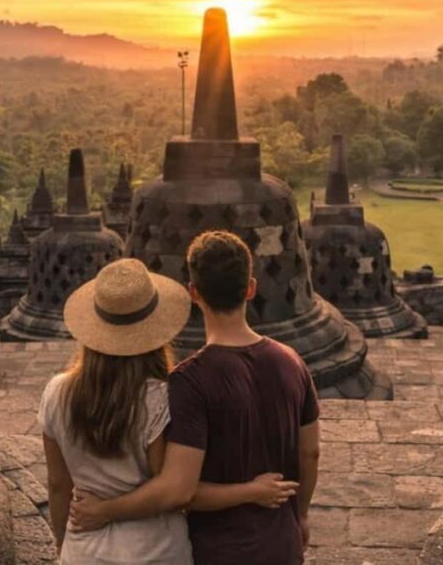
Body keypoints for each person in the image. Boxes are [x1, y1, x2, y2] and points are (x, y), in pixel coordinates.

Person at [70, 232, 321, 565]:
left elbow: (180, 490)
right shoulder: (292, 362)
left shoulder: (190, 381)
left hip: (219, 551)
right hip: (281, 544)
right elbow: (311, 453)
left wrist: (105, 511)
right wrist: (299, 514)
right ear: (250, 288)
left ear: (193, 293)